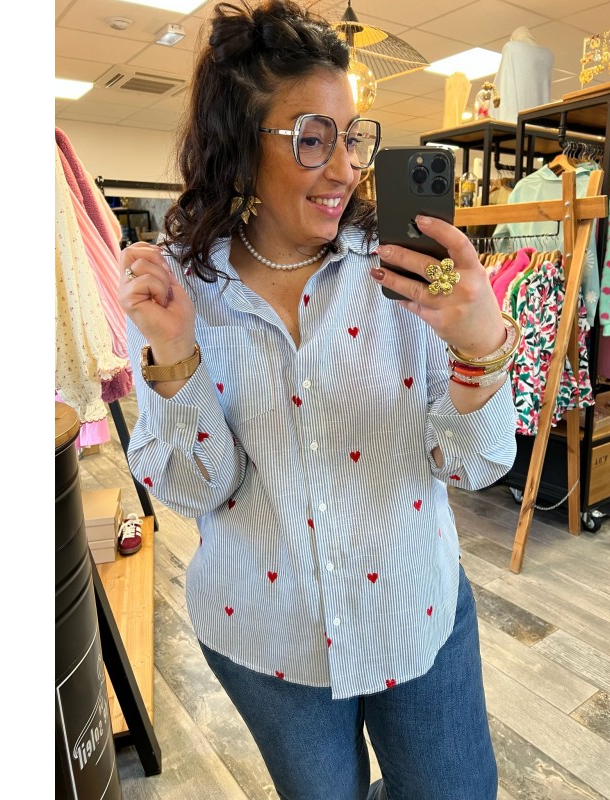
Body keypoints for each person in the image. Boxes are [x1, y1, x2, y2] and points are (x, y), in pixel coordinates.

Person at [116, 2, 518, 798]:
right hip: (268, 637)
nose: (344, 169)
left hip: (413, 612)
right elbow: (197, 490)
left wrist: (479, 348)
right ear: (241, 143)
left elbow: (472, 466)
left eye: (351, 137)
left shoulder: (406, 273)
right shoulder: (177, 292)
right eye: (312, 138)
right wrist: (178, 356)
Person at [493, 26, 554, 123]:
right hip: (540, 123)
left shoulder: (511, 48)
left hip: (515, 123)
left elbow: (505, 90)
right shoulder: (547, 55)